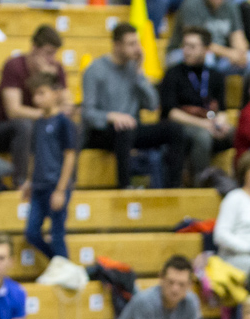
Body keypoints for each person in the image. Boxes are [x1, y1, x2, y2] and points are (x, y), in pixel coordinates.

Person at [84, 24, 186, 190]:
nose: (136, 48)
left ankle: (173, 186)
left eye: (137, 43)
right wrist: (113, 116)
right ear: (117, 45)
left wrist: (139, 73)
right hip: (104, 131)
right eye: (131, 44)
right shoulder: (95, 70)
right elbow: (88, 113)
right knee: (125, 129)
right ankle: (124, 187)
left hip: (132, 129)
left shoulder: (134, 69)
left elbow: (153, 105)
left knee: (174, 129)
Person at [0, 25, 68, 188]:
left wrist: (51, 80)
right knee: (25, 125)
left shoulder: (55, 70)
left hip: (34, 129)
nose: (52, 59)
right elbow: (14, 111)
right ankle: (20, 182)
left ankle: (63, 181)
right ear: (34, 48)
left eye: (55, 54)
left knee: (67, 126)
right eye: (48, 53)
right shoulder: (14, 65)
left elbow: (66, 107)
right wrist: (48, 114)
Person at [159, 26, 235, 184]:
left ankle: (237, 181)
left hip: (209, 122)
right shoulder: (173, 74)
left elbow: (222, 109)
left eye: (192, 47)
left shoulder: (215, 75)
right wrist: (204, 124)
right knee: (202, 137)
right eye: (185, 46)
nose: (186, 51)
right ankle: (199, 183)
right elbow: (171, 112)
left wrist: (220, 123)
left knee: (236, 133)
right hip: (181, 125)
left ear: (206, 49)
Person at [19, 74, 77, 265]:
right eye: (35, 94)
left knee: (57, 234)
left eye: (42, 93)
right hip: (39, 186)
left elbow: (70, 155)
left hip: (55, 186)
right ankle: (59, 264)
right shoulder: (38, 123)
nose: (37, 99)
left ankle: (64, 268)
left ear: (56, 93)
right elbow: (34, 155)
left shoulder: (63, 122)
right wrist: (29, 180)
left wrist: (61, 190)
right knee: (31, 232)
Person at [168, 0, 250, 74]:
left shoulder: (231, 6)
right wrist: (230, 54)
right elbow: (197, 43)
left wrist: (241, 54)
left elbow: (238, 36)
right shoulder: (192, 4)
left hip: (221, 56)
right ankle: (204, 90)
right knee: (207, 58)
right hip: (185, 52)